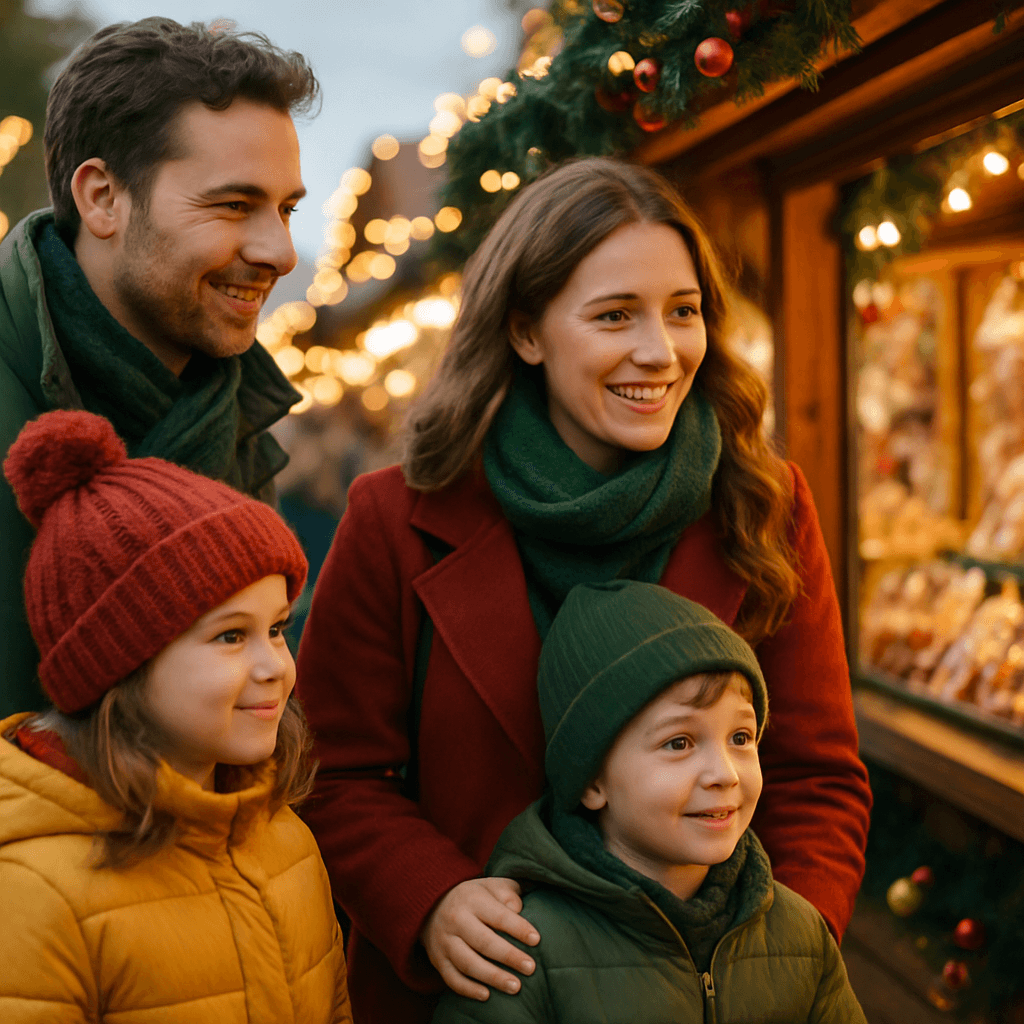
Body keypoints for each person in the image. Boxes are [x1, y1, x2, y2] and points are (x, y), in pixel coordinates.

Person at [296, 156, 873, 1024]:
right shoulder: (397, 518)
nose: (660, 350)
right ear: (527, 332)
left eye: (684, 312)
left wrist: (777, 960)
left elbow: (817, 774)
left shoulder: (764, 505)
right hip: (478, 994)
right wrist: (430, 897)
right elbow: (330, 770)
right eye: (614, 316)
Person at [0, 17, 317, 717]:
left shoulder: (233, 418)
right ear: (102, 198)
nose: (280, 251)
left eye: (287, 209)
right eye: (234, 205)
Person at [0, 410, 351, 1024]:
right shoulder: (32, 892)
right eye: (230, 637)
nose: (276, 667)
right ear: (120, 662)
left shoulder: (282, 837)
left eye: (276, 629)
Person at [432, 580, 868, 1024]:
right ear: (592, 781)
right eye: (679, 742)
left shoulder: (803, 936)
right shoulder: (518, 953)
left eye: (741, 737)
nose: (725, 774)